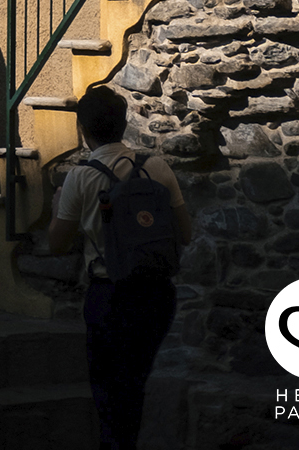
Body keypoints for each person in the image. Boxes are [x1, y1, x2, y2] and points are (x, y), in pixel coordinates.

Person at [47, 82, 190, 450]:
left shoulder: (81, 176)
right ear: (124, 124)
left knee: (109, 394)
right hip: (157, 295)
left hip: (109, 294)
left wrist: (58, 205)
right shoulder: (155, 166)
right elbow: (185, 233)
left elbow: (57, 243)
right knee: (135, 383)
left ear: (83, 129)